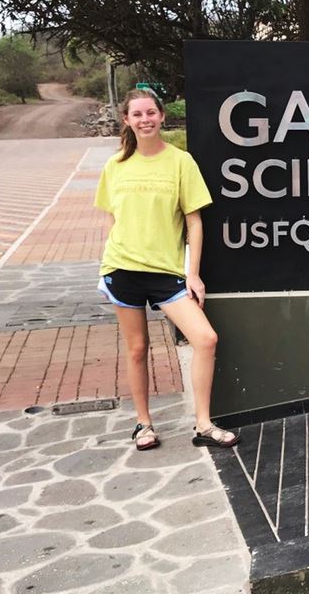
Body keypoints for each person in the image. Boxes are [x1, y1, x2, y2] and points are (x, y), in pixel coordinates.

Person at [94, 88, 240, 451]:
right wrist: (106, 264)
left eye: (150, 113)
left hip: (166, 273)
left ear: (161, 116)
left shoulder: (181, 162)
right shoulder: (115, 167)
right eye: (137, 114)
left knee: (205, 339)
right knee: (137, 349)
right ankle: (143, 424)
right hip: (122, 269)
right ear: (126, 120)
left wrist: (193, 273)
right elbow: (112, 220)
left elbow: (195, 222)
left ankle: (203, 424)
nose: (145, 120)